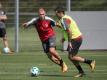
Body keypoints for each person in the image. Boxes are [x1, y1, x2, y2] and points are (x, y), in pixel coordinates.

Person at [22, 8, 68, 72]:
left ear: (45, 14)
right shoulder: (35, 20)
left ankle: (62, 63)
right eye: (40, 14)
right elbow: (29, 23)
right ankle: (62, 65)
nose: (41, 15)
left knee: (51, 50)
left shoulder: (48, 19)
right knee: (50, 57)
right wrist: (26, 24)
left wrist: (63, 27)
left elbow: (56, 24)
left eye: (43, 14)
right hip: (43, 40)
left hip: (51, 36)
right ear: (38, 14)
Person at [55, 6, 96, 77]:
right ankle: (81, 72)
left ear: (60, 13)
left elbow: (69, 32)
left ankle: (90, 62)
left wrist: (69, 42)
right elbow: (67, 29)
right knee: (71, 57)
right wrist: (64, 38)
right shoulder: (65, 18)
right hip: (76, 38)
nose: (56, 15)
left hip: (75, 39)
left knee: (71, 57)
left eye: (56, 14)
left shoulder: (63, 20)